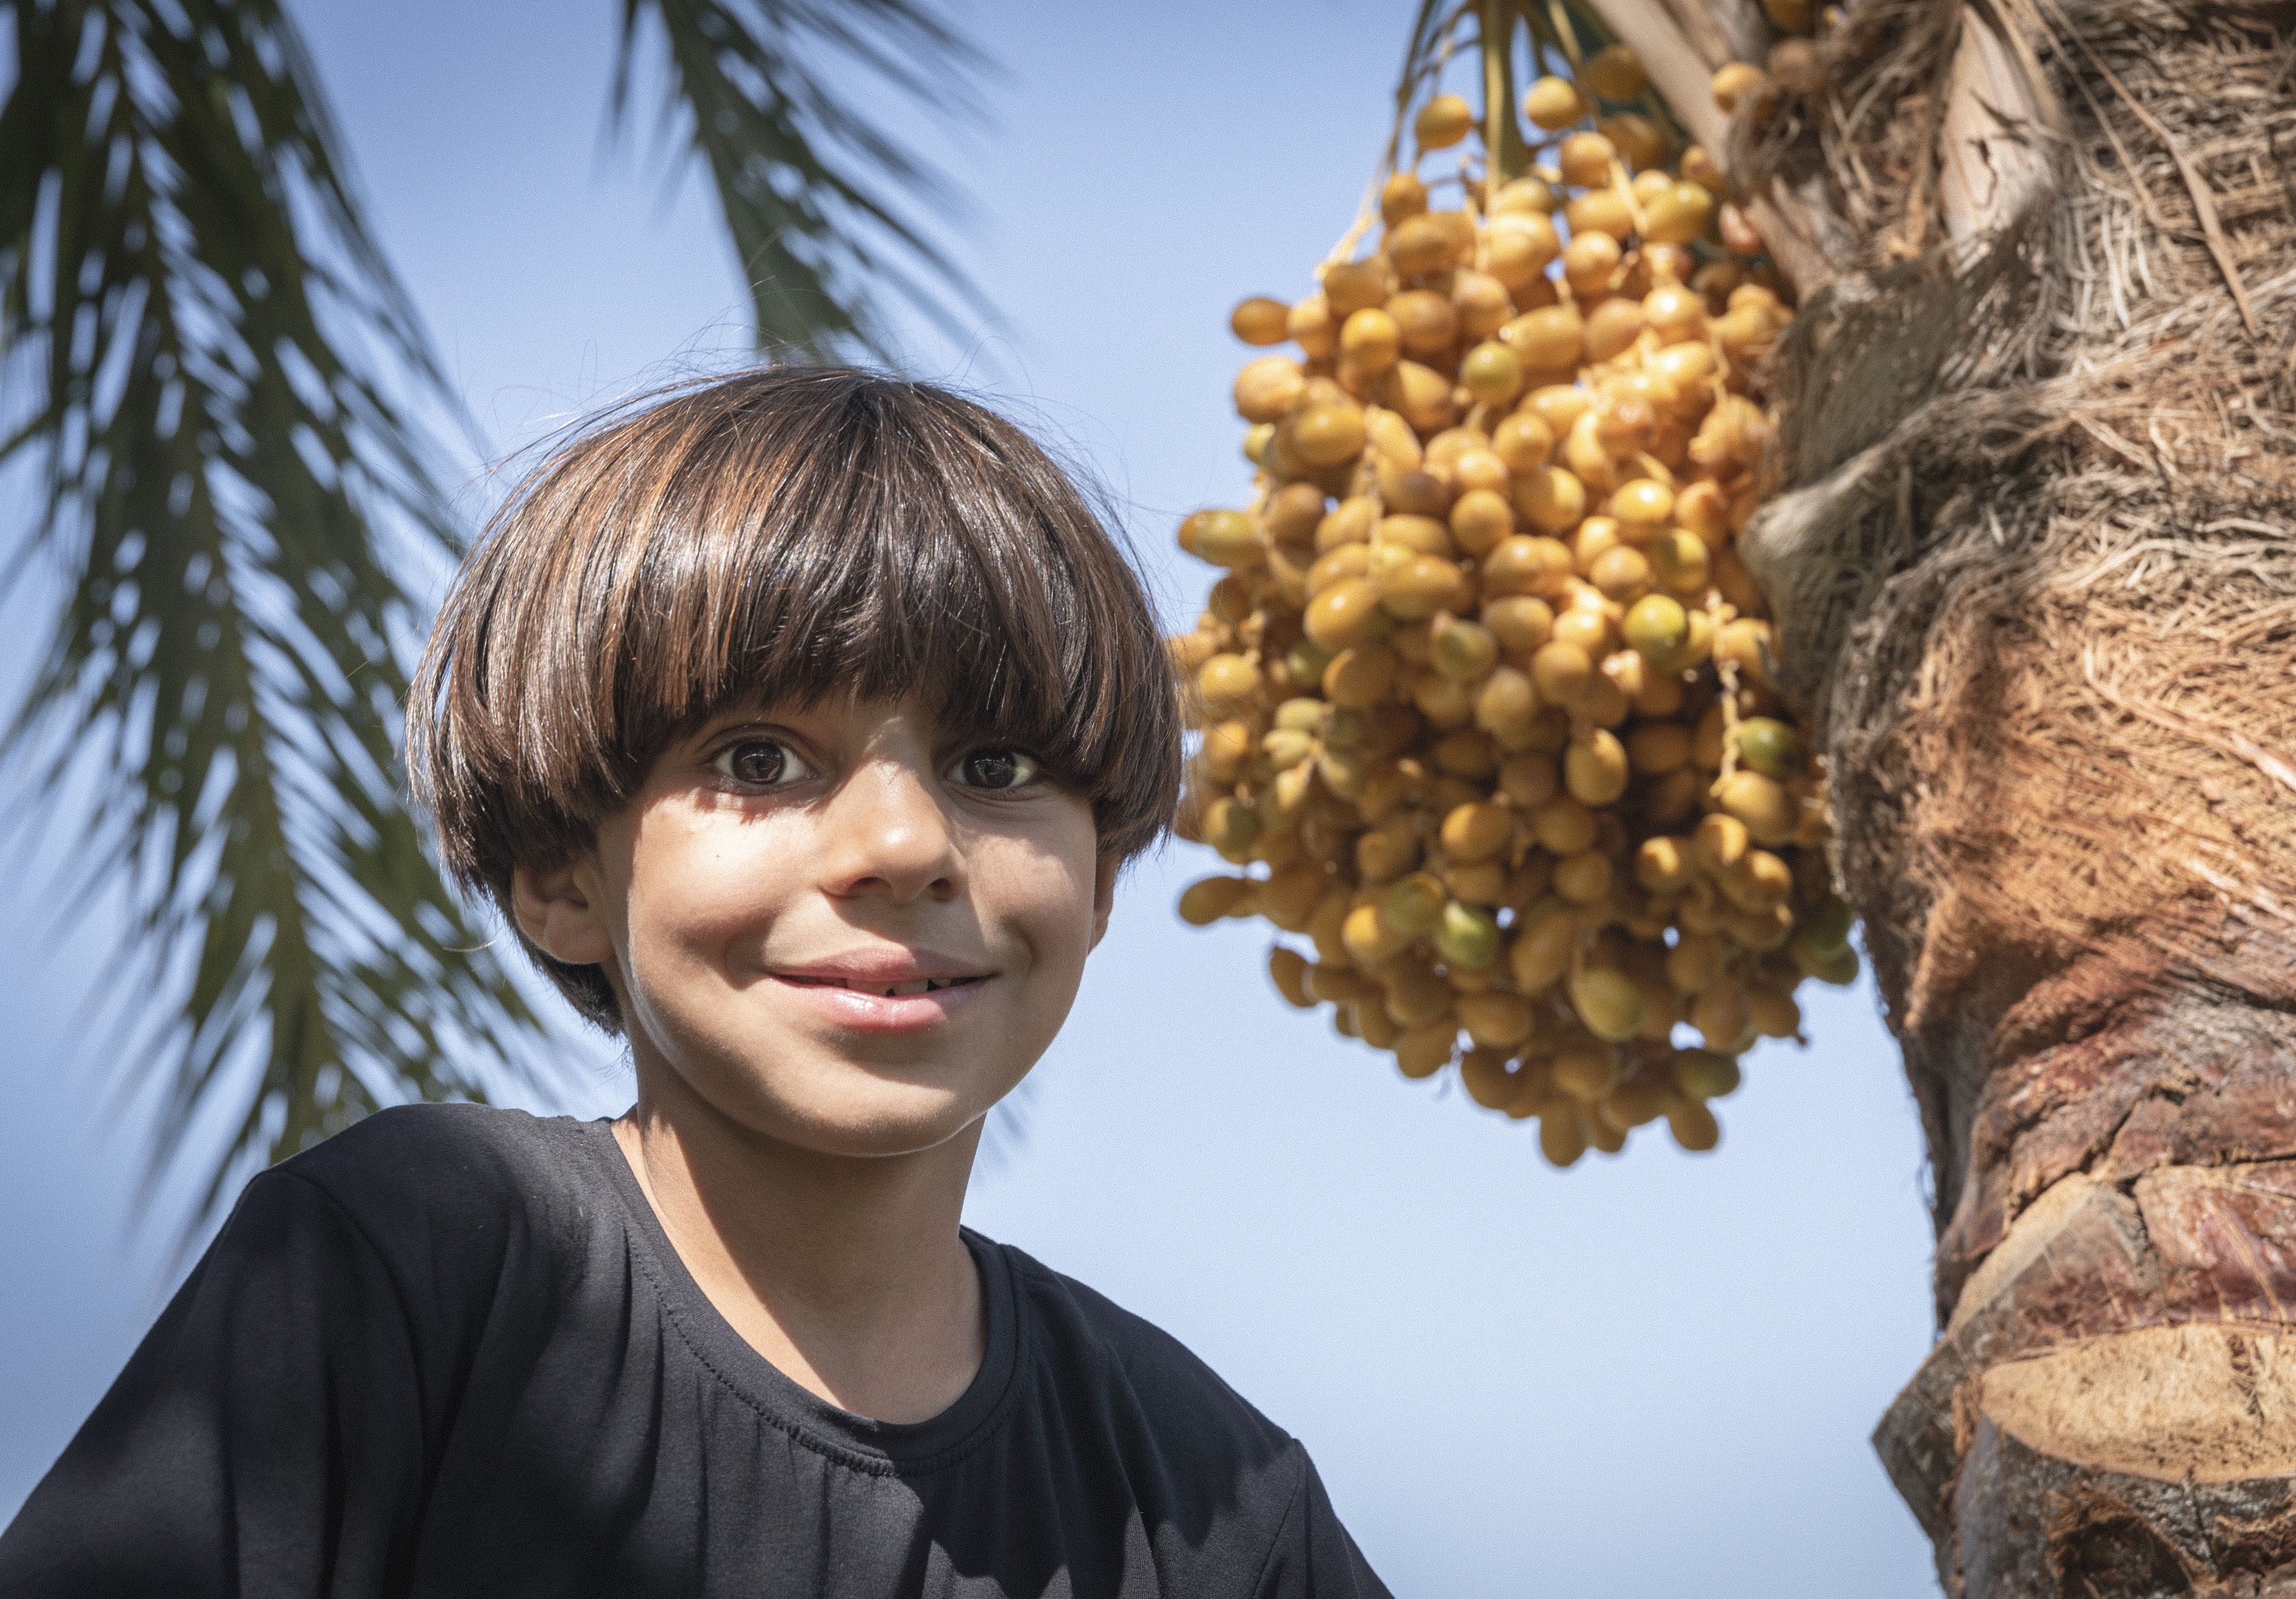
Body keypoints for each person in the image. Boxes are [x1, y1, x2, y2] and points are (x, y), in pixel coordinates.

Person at [0, 368, 1392, 1598]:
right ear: (560, 877)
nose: (905, 848)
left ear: (1095, 886)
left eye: (994, 769)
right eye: (759, 761)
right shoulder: (426, 1266)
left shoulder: (1213, 1499)